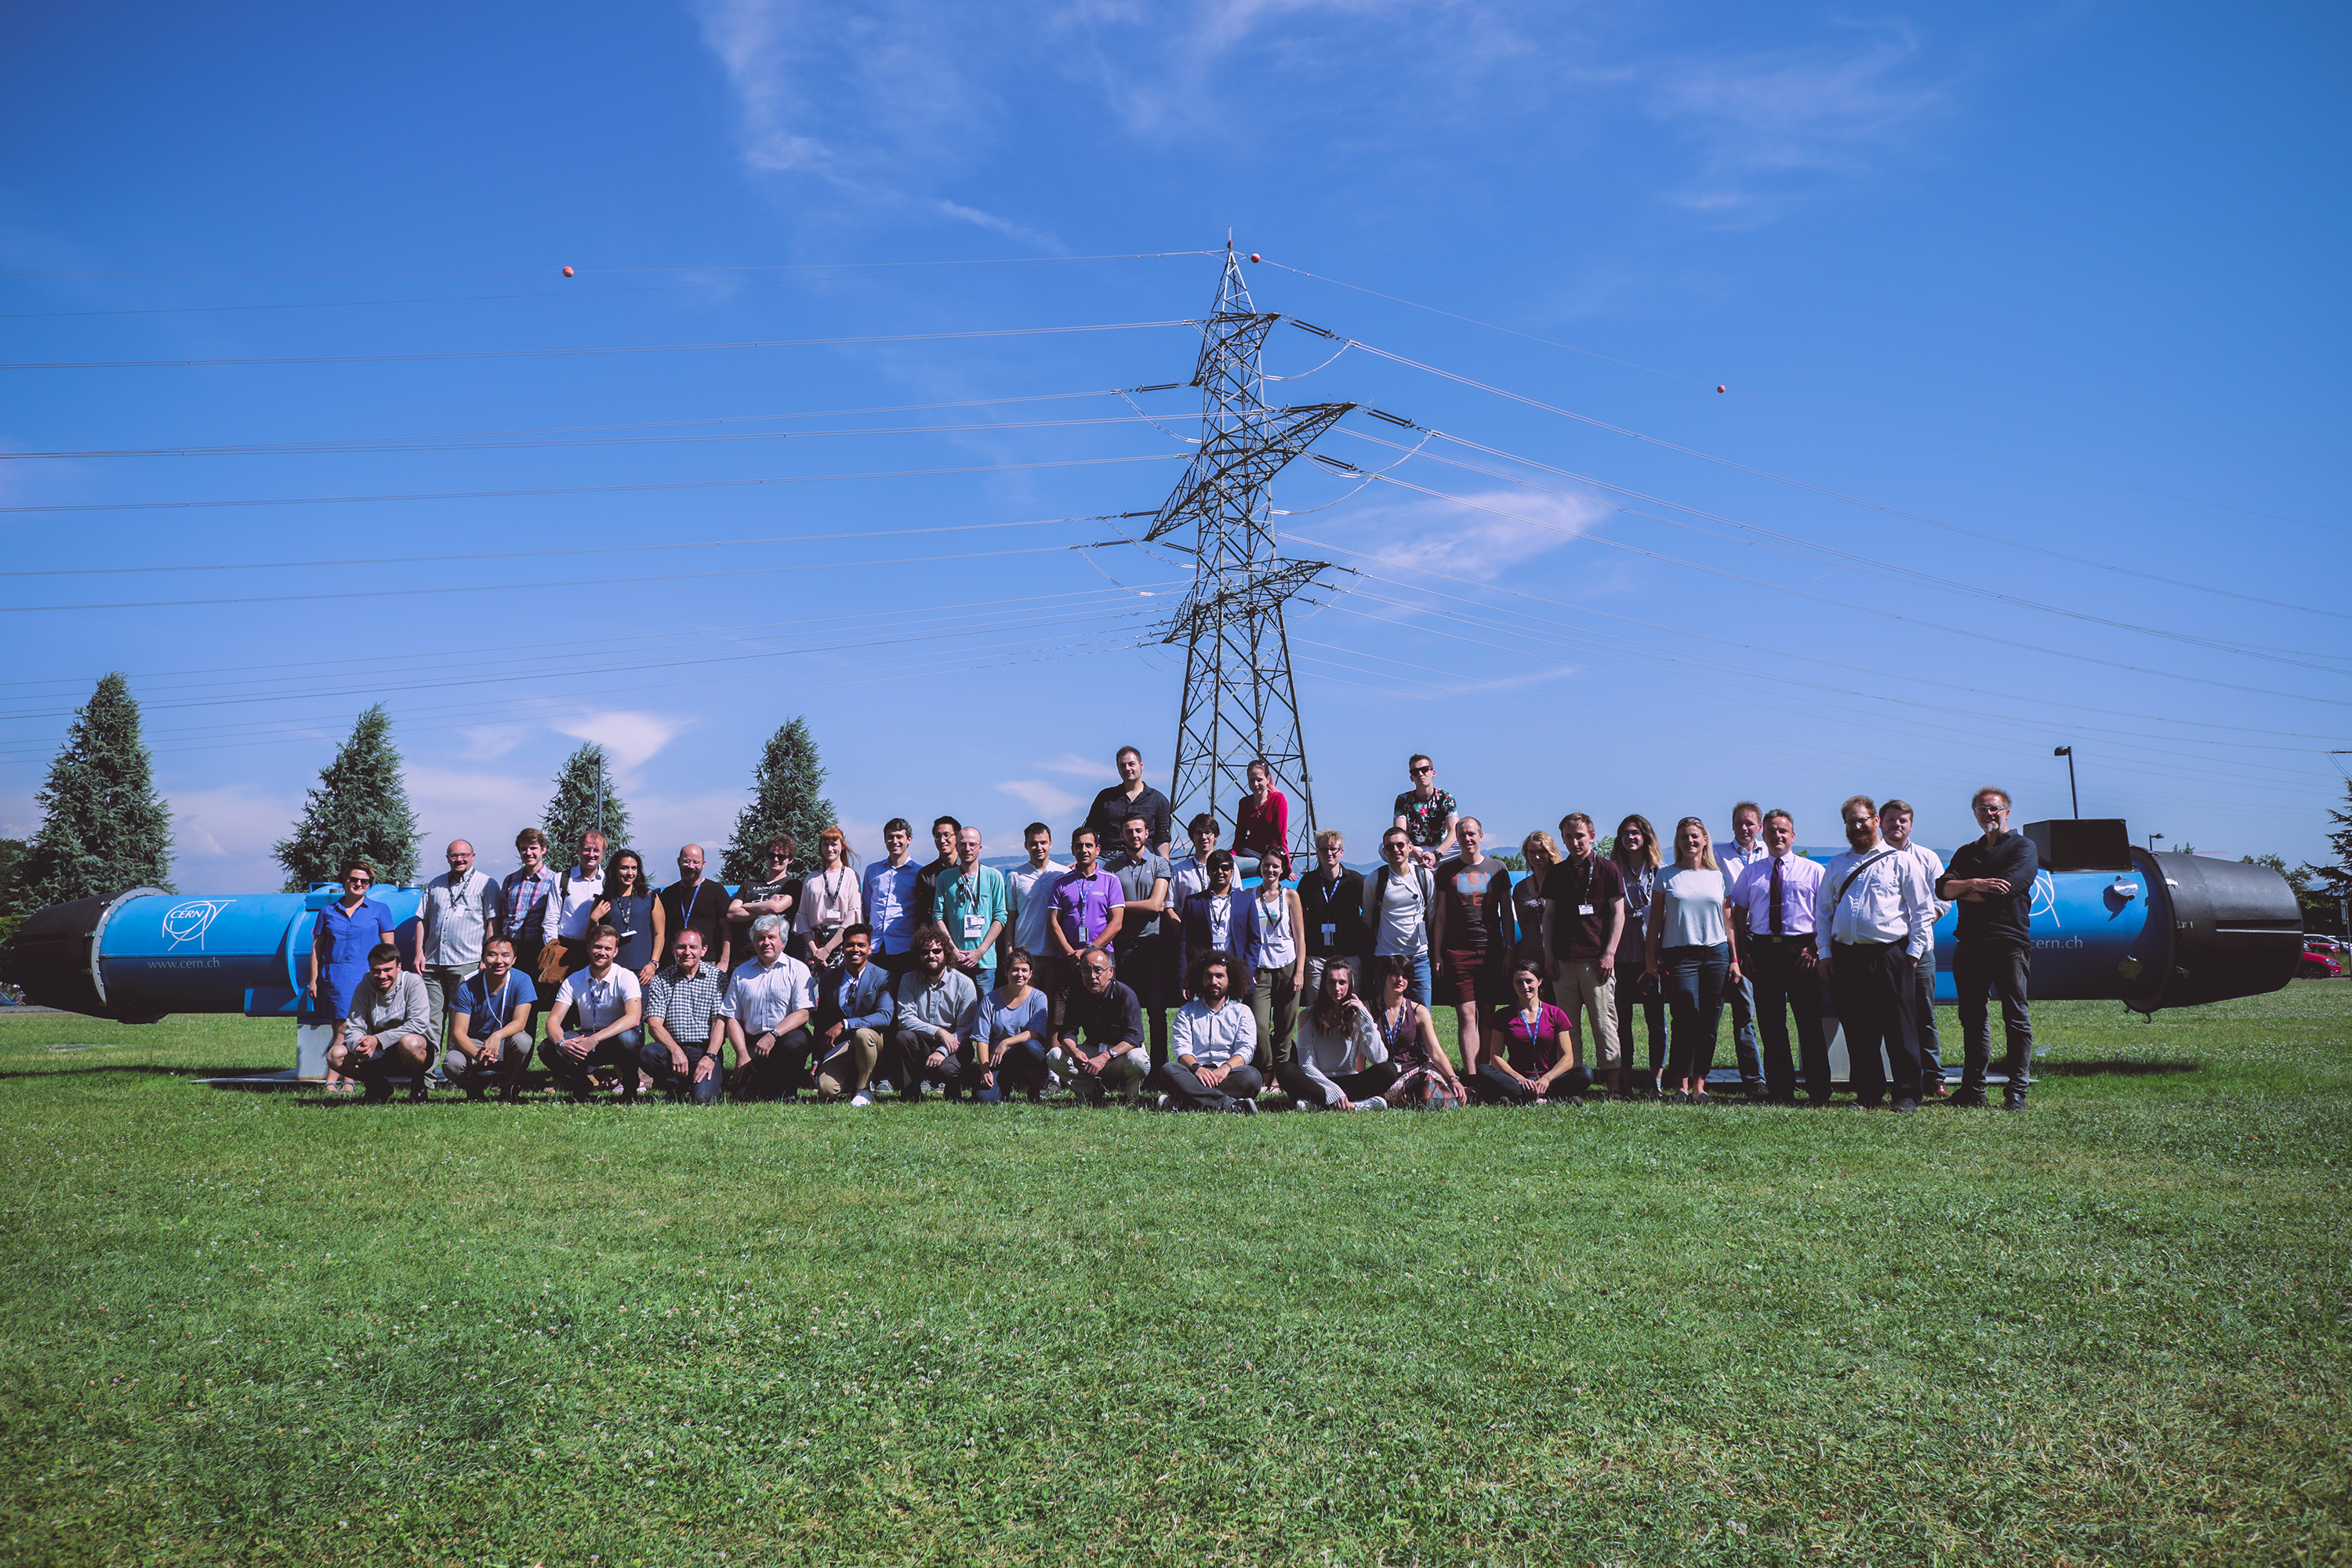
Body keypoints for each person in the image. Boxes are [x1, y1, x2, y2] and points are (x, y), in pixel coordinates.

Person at [1818, 795, 1936, 1111]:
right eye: (1851, 822)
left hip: (1891, 955)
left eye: (1862, 819)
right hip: (1847, 955)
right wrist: (1825, 952)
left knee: (1900, 1027)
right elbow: (1824, 913)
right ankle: (1868, 1094)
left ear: (1875, 821)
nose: (1857, 826)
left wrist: (1912, 953)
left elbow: (1922, 911)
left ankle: (1907, 1094)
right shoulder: (1837, 864)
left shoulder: (1901, 860)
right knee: (1858, 1029)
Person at [1939, 787, 2038, 1111]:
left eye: (1994, 809)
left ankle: (2016, 1092)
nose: (1989, 815)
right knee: (1972, 1018)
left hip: (2008, 942)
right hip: (1969, 943)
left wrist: (1965, 888)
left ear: (2007, 812)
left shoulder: (2023, 848)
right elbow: (1943, 889)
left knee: (2016, 1017)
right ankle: (1973, 1090)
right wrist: (1978, 883)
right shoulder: (1967, 852)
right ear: (1976, 815)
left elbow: (2005, 890)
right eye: (1982, 810)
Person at [1726, 810, 1828, 1104]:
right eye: (1771, 831)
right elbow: (1739, 914)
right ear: (1763, 834)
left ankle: (1818, 1089)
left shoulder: (1813, 871)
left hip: (1802, 952)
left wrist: (1815, 949)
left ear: (1793, 835)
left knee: (1809, 1023)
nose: (1777, 836)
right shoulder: (1751, 873)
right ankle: (1781, 1089)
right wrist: (1744, 953)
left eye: (1783, 831)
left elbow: (1825, 915)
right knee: (1771, 1025)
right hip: (1763, 952)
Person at [1645, 817, 1738, 1104]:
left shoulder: (1718, 876)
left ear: (1705, 840)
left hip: (1716, 954)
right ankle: (1681, 1085)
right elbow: (1656, 922)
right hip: (1679, 955)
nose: (1690, 841)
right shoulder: (1667, 875)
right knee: (1685, 1017)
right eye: (1685, 836)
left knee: (1710, 1021)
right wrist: (1650, 959)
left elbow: (1728, 921)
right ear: (1678, 841)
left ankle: (1700, 1085)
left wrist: (1734, 959)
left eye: (1695, 836)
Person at [1541, 815, 1627, 1098]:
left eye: (1579, 836)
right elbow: (1549, 916)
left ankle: (1613, 1084)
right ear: (1563, 839)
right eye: (1568, 837)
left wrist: (1609, 953)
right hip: (1563, 961)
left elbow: (1618, 914)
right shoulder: (1556, 872)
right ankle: (1572, 1083)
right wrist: (1549, 955)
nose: (1575, 842)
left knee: (1604, 1022)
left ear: (1591, 836)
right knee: (1567, 1027)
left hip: (1597, 961)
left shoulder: (1608, 869)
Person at [1431, 816, 1516, 1080]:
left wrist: (1509, 950)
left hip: (1491, 951)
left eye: (1471, 834)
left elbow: (1506, 914)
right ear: (1456, 838)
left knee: (1488, 1015)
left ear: (1481, 836)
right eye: (1462, 834)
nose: (1467, 838)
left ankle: (1486, 1073)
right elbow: (1441, 916)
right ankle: (1470, 1078)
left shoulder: (1498, 868)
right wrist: (1437, 953)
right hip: (1458, 952)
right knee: (1467, 1015)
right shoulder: (1446, 871)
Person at [1880, 800, 1953, 1100]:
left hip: (1920, 950)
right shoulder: (1869, 857)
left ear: (1911, 825)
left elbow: (1944, 899)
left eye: (1903, 821)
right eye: (1891, 820)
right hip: (1883, 950)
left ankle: (1933, 1077)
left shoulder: (1927, 858)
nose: (1897, 825)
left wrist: (1921, 922)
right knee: (1882, 1015)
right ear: (1879, 822)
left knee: (1923, 1014)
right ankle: (1879, 1076)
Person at [308, 858, 397, 1093]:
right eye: (354, 879)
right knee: (341, 1027)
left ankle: (344, 1079)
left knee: (359, 1028)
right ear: (344, 880)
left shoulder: (380, 910)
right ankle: (340, 1079)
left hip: (369, 976)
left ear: (370, 884)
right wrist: (314, 978)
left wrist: (391, 976)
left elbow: (390, 950)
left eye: (365, 881)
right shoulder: (327, 912)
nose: (359, 884)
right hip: (336, 976)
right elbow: (318, 947)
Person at [416, 838, 499, 1081]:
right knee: (430, 1023)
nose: (459, 859)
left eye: (464, 855)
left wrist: (487, 955)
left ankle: (456, 1077)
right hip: (433, 963)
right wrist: (419, 952)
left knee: (459, 1024)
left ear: (473, 856)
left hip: (467, 963)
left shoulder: (487, 884)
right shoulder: (435, 884)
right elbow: (422, 919)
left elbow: (493, 921)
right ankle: (426, 1078)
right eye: (454, 856)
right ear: (448, 858)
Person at [1279, 957, 1406, 1110]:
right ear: (1324, 984)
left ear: (1350, 984)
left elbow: (1379, 1059)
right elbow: (1307, 1065)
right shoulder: (1308, 1015)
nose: (1337, 988)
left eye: (1342, 982)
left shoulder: (1358, 1016)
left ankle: (1319, 1104)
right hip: (1318, 1082)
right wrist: (1333, 1091)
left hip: (1350, 1081)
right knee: (1284, 1070)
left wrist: (1365, 1018)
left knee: (1389, 1070)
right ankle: (1356, 1105)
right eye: (1331, 982)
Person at [539, 924, 643, 1101]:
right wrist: (562, 1043)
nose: (602, 952)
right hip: (584, 1038)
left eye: (607, 949)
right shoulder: (574, 979)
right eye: (598, 947)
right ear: (588, 948)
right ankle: (580, 1081)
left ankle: (630, 1084)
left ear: (615, 952)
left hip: (614, 1039)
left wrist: (595, 1039)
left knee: (629, 1038)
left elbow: (634, 1018)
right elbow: (552, 1022)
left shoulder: (626, 976)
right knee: (546, 1047)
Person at [1151, 949, 1262, 1112]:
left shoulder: (1242, 1012)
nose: (1213, 981)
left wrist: (1225, 1068)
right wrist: (1198, 1069)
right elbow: (1181, 1048)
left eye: (1219, 976)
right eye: (1208, 976)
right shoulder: (1187, 1011)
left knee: (1252, 1077)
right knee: (1169, 1070)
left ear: (1230, 980)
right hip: (1195, 1075)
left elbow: (1245, 1050)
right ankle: (1230, 1105)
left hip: (1228, 1075)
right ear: (1200, 979)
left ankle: (1185, 1102)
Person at [724, 913, 818, 1102]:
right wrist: (742, 1054)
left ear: (783, 942)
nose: (766, 942)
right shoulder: (741, 972)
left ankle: (788, 1089)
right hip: (753, 1043)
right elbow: (732, 1017)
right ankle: (769, 1081)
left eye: (771, 937)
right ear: (754, 942)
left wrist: (773, 1035)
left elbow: (803, 1013)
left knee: (794, 1043)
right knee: (743, 1096)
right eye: (760, 938)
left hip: (784, 1038)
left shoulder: (798, 969)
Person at [1104, 813, 1173, 1066]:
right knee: (1121, 1011)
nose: (1134, 835)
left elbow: (1156, 906)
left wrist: (1119, 906)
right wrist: (1127, 908)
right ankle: (1123, 1067)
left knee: (1157, 1011)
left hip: (1153, 946)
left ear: (1147, 834)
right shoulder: (1110, 869)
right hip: (1121, 947)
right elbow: (1106, 908)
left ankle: (1158, 1068)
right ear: (1122, 835)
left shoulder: (1160, 864)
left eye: (1138, 831)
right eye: (1129, 831)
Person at [327, 943, 434, 1102]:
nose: (382, 976)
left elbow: (418, 1024)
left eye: (387, 970)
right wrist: (358, 1045)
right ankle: (378, 1086)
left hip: (412, 1051)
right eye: (376, 970)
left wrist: (377, 1039)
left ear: (398, 967)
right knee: (335, 1056)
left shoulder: (413, 983)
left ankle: (418, 1085)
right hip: (377, 1053)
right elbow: (354, 1027)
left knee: (410, 1042)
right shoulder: (363, 988)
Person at [1608, 815, 1668, 1098]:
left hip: (1652, 957)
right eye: (1625, 833)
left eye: (1635, 833)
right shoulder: (1612, 870)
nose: (1630, 838)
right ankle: (1625, 1077)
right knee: (1623, 1022)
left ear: (1645, 836)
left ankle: (1655, 1079)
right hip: (1621, 955)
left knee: (1656, 1021)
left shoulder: (1660, 871)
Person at [1047, 946, 1151, 1106]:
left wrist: (1106, 1056)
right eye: (1086, 971)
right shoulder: (1077, 995)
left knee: (1139, 1059)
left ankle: (1132, 1098)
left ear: (1111, 971)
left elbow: (1135, 1037)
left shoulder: (1126, 994)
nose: (1092, 976)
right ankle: (1092, 1092)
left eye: (1098, 970)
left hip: (1120, 1053)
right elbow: (1067, 1033)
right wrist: (1075, 1052)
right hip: (1092, 1050)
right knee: (1055, 1055)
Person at [883, 933, 981, 1102]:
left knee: (947, 1070)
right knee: (903, 1037)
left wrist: (942, 1051)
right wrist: (939, 1032)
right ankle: (911, 1094)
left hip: (956, 1045)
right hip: (923, 1042)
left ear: (946, 953)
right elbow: (905, 1019)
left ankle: (953, 1090)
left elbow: (966, 1029)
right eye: (925, 952)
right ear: (918, 955)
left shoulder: (964, 983)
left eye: (937, 950)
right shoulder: (908, 980)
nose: (931, 956)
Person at [1478, 960, 1592, 1105]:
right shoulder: (1503, 1016)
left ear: (1539, 981)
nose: (1524, 986)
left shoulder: (1556, 1014)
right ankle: (1552, 1100)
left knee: (1585, 1073)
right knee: (1484, 1070)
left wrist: (1546, 1079)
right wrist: (1520, 1079)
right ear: (1513, 984)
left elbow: (1568, 1058)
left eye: (1529, 981)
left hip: (1549, 1080)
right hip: (1516, 1080)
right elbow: (1495, 1058)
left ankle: (1521, 1099)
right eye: (1519, 982)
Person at [1718, 803, 1771, 1099]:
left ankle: (1779, 1075)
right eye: (1739, 823)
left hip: (1768, 936)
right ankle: (1755, 1080)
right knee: (1744, 1012)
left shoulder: (1772, 852)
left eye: (1750, 824)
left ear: (1759, 826)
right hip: (1734, 935)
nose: (1744, 828)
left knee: (1773, 1012)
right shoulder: (1718, 854)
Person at [641, 927, 728, 1105]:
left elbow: (719, 1023)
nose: (687, 952)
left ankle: (701, 1085)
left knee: (703, 1100)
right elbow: (654, 1024)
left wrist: (710, 1057)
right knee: (648, 1053)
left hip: (704, 1050)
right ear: (673, 949)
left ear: (703, 950)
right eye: (682, 947)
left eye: (693, 947)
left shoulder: (718, 978)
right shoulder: (661, 979)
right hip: (672, 1049)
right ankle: (675, 1087)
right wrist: (675, 1051)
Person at [446, 933, 535, 1101]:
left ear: (514, 959)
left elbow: (520, 1023)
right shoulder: (467, 987)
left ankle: (508, 1089)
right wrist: (477, 1054)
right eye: (492, 955)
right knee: (452, 1063)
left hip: (506, 1042)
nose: (498, 961)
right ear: (483, 958)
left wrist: (497, 1036)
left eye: (505, 955)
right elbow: (458, 1033)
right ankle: (474, 1087)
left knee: (523, 1041)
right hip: (475, 1042)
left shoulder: (523, 980)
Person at [811, 924, 893, 1105]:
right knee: (826, 1090)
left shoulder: (884, 977)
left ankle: (863, 1089)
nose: (855, 949)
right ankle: (850, 1081)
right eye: (850, 945)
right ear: (843, 948)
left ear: (869, 949)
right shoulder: (829, 978)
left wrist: (845, 1024)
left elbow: (885, 1016)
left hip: (871, 1043)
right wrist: (816, 1058)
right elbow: (822, 1021)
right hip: (841, 1047)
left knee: (862, 1034)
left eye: (861, 945)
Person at [1366, 954, 1458, 1109]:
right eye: (1395, 974)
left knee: (1433, 1086)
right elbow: (1360, 1053)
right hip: (1386, 1073)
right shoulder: (1368, 1009)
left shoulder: (1419, 1011)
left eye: (1405, 976)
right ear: (1384, 976)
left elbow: (1436, 1052)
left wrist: (1454, 1079)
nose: (1400, 979)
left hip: (1418, 1070)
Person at [1246, 844, 1307, 1070]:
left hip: (1287, 965)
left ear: (1282, 870)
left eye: (1275, 866)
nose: (1270, 870)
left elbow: (1300, 937)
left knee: (1285, 1025)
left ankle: (1282, 1074)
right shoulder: (1248, 895)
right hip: (1259, 968)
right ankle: (1266, 1069)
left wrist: (1300, 972)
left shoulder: (1291, 895)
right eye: (1266, 865)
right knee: (1260, 1025)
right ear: (1260, 867)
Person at [1363, 828, 1436, 1006]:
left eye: (1400, 844)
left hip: (1418, 958)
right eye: (1390, 846)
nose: (1396, 850)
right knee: (1384, 1018)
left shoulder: (1424, 875)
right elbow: (1367, 916)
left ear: (1410, 847)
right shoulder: (1375, 879)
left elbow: (1432, 914)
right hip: (1386, 957)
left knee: (1423, 1015)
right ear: (1385, 851)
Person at [935, 824, 1008, 1000]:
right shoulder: (945, 878)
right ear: (957, 846)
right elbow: (938, 916)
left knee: (984, 1012)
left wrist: (981, 951)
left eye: (972, 844)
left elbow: (1001, 916)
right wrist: (952, 950)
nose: (967, 848)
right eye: (963, 844)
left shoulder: (994, 876)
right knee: (956, 1013)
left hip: (985, 961)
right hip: (955, 960)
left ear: (980, 848)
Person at [1178, 851, 1260, 1002]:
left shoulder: (1247, 901)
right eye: (1214, 868)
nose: (1220, 872)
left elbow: (1254, 941)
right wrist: (1185, 978)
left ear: (1232, 872)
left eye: (1224, 868)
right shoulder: (1193, 902)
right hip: (1202, 974)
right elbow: (1184, 943)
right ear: (1208, 871)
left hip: (1235, 974)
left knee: (1233, 1020)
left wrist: (1247, 973)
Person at [497, 829, 559, 1025]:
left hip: (536, 950)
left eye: (533, 848)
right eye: (524, 849)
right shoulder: (510, 880)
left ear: (544, 849)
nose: (528, 853)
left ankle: (523, 1049)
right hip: (510, 949)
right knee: (505, 1002)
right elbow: (503, 915)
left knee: (528, 1005)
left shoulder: (554, 880)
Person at [1300, 827, 1368, 1000]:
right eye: (1324, 849)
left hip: (1349, 955)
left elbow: (1367, 916)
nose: (1329, 853)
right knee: (1316, 1008)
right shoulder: (1308, 881)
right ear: (1318, 852)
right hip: (1316, 957)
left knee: (1350, 1007)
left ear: (1341, 852)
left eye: (1333, 849)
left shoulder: (1356, 880)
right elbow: (1299, 918)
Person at [981, 948, 1053, 1102]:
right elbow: (982, 1038)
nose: (1020, 975)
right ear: (1006, 972)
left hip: (1024, 1058)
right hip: (997, 1060)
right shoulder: (990, 1000)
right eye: (1015, 970)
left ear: (1030, 974)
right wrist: (984, 1069)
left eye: (1024, 970)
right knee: (984, 1098)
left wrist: (1006, 1042)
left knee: (1032, 1046)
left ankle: (1033, 1089)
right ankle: (1003, 1087)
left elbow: (1035, 1033)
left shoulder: (1039, 997)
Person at [1048, 827, 1125, 969]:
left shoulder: (1111, 881)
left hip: (1102, 958)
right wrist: (1071, 954)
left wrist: (1088, 952)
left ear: (1098, 849)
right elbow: (1053, 923)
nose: (1084, 850)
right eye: (1079, 846)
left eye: (1089, 845)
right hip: (1069, 959)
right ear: (1072, 850)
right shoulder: (1061, 882)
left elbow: (1116, 922)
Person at [1002, 823, 1066, 994]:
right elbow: (1011, 917)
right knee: (1026, 1006)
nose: (1039, 847)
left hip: (1057, 952)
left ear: (1051, 844)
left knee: (1054, 1010)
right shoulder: (1015, 877)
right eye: (1033, 843)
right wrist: (1010, 949)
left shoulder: (1063, 874)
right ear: (1026, 845)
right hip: (1026, 953)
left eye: (1043, 842)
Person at [588, 848, 663, 983]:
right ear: (614, 870)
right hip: (610, 971)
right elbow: (592, 939)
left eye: (634, 868)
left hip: (643, 972)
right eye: (624, 868)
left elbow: (659, 934)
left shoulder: (650, 897)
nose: (630, 873)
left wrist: (653, 963)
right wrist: (594, 919)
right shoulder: (603, 900)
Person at [1083, 746, 1174, 858]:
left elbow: (1161, 839)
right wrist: (1083, 861)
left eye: (1131, 764)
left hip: (1144, 859)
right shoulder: (1105, 797)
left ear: (1141, 765)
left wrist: (1164, 868)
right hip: (1108, 858)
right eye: (1122, 765)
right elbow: (1089, 832)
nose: (1127, 768)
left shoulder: (1158, 800)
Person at [795, 826, 862, 975]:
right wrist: (815, 950)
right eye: (825, 844)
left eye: (834, 844)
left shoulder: (851, 875)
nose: (829, 848)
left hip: (842, 942)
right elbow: (802, 916)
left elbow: (854, 914)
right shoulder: (811, 878)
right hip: (815, 945)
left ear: (842, 847)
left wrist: (828, 949)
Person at [860, 818, 924, 975]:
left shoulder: (919, 874)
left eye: (899, 837)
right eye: (890, 837)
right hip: (875, 948)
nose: (894, 841)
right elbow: (866, 908)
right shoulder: (872, 871)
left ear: (909, 840)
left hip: (905, 948)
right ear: (885, 840)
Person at [544, 829, 610, 978]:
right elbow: (551, 918)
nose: (591, 854)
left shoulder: (608, 882)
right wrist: (552, 948)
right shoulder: (562, 879)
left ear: (603, 853)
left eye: (596, 850)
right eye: (587, 849)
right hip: (566, 951)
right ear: (578, 850)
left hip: (599, 951)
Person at [659, 844, 731, 977]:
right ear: (679, 862)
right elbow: (660, 931)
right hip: (674, 963)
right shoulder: (669, 894)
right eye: (687, 861)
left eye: (696, 862)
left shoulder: (716, 891)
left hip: (708, 962)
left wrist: (724, 961)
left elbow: (728, 928)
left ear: (703, 864)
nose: (691, 866)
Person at [728, 836, 800, 967]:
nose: (776, 859)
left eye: (782, 857)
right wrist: (767, 906)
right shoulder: (748, 884)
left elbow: (776, 908)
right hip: (743, 954)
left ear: (790, 860)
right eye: (772, 855)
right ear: (766, 857)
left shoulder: (793, 885)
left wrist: (747, 905)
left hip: (775, 955)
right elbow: (732, 913)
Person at [1392, 753, 1458, 869]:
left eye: (1424, 769)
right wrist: (1417, 855)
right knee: (1385, 847)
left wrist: (1436, 855)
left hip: (1441, 849)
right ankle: (1419, 863)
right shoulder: (1403, 799)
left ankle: (1432, 862)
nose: (1420, 774)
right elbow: (1400, 834)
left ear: (1433, 773)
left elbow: (1454, 831)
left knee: (1463, 845)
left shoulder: (1446, 798)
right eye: (1415, 772)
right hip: (1413, 850)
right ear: (1411, 777)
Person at [1511, 831, 1559, 979]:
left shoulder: (1562, 881)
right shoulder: (1520, 888)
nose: (1536, 857)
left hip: (1559, 952)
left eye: (1541, 852)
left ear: (1551, 852)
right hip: (1530, 951)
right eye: (1531, 853)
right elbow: (1523, 923)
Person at [1232, 757, 1289, 880]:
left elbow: (1281, 836)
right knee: (1222, 861)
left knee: (1233, 866)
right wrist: (1232, 855)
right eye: (1252, 781)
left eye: (1259, 780)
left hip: (1268, 856)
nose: (1255, 784)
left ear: (1267, 779)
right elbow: (1240, 836)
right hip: (1247, 854)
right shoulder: (1244, 803)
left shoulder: (1278, 799)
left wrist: (1287, 866)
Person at [912, 817, 961, 939]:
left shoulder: (972, 871)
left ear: (958, 837)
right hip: (938, 942)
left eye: (947, 835)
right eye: (937, 836)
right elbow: (924, 915)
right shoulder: (926, 874)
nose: (942, 840)